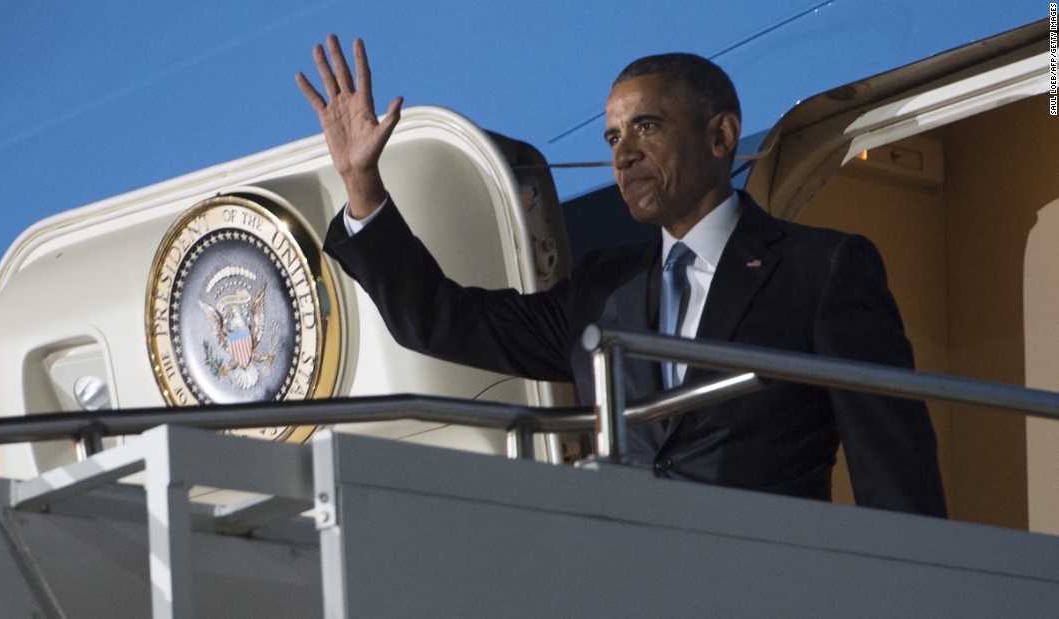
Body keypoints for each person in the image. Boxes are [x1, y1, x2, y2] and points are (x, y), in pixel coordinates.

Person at [297, 35, 947, 517]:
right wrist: (362, 186)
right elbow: (443, 319)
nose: (623, 153)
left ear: (721, 136)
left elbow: (893, 470)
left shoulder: (823, 269)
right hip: (628, 581)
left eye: (646, 127)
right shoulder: (599, 292)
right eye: (611, 137)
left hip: (771, 579)